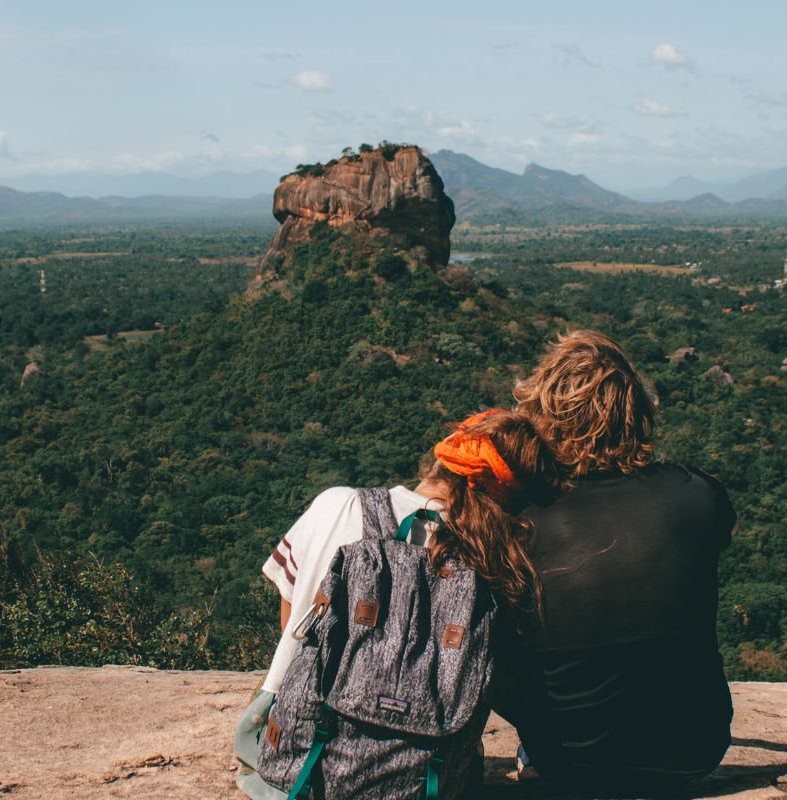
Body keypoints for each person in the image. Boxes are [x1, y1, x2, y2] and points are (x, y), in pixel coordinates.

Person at [235, 409, 563, 799]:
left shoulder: (338, 505)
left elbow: (292, 621)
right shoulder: (496, 563)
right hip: (427, 772)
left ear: (442, 457)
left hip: (300, 762)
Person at [493, 329, 737, 798]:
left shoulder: (518, 519)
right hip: (695, 751)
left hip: (567, 758)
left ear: (540, 416)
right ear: (637, 412)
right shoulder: (698, 495)